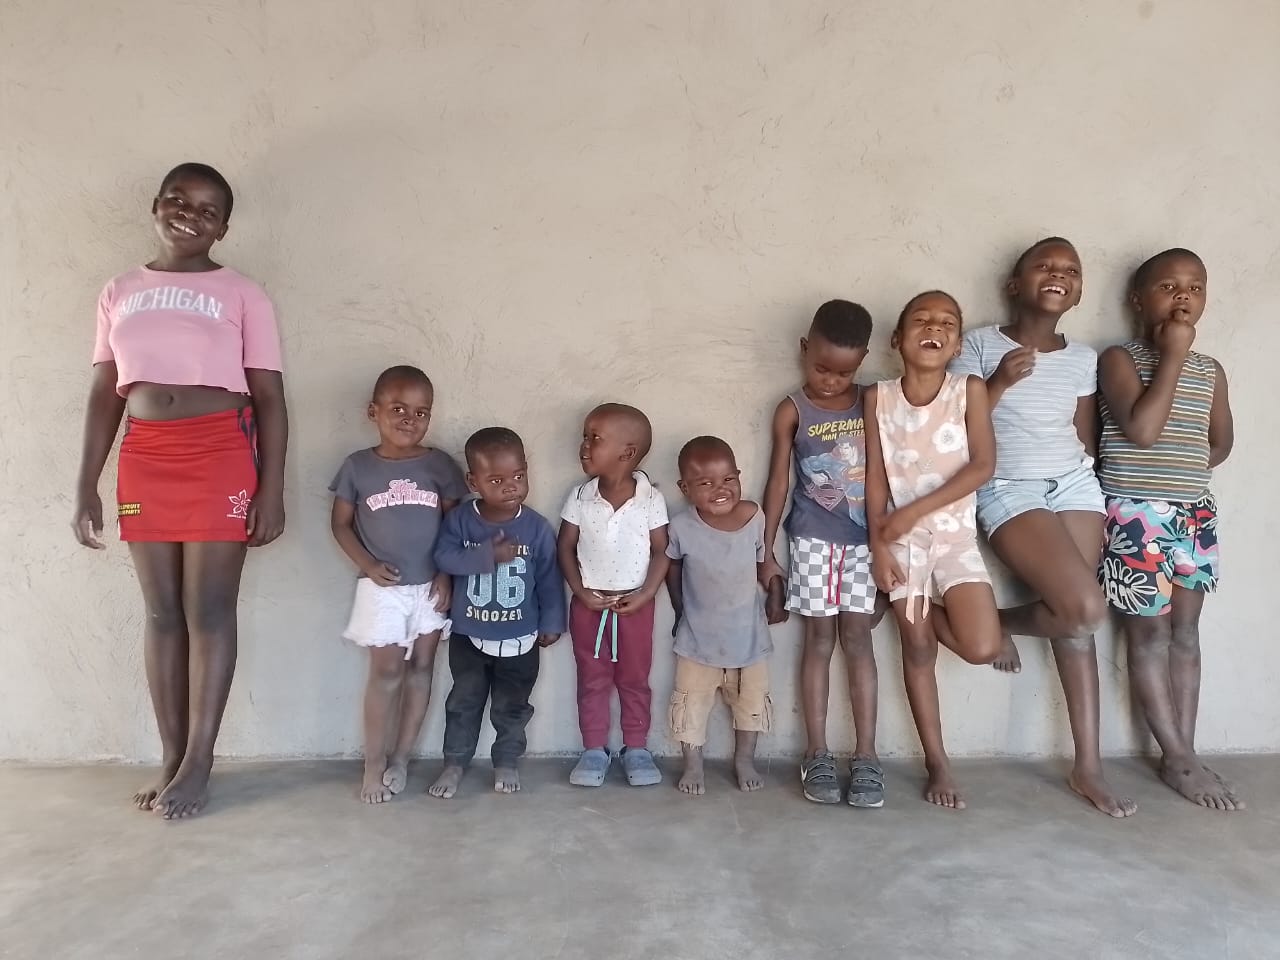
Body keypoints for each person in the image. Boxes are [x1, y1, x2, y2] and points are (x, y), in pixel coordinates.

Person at [72, 162, 288, 820]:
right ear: (156, 206)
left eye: (207, 209)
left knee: (209, 611)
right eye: (178, 200)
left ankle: (199, 762)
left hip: (221, 453)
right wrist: (86, 482)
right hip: (145, 455)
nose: (189, 214)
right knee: (162, 613)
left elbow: (271, 398)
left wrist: (271, 489)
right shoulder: (119, 290)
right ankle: (170, 757)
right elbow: (104, 393)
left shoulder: (243, 294)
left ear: (224, 227)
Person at [949, 237, 1137, 818]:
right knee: (1084, 607)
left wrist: (1093, 486)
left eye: (1071, 270)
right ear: (1015, 285)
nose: (1059, 274)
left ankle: (1088, 767)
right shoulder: (979, 344)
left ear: (1078, 292)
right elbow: (954, 426)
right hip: (1008, 486)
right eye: (1045, 266)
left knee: (1077, 624)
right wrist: (999, 383)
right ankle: (993, 625)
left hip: (1075, 484)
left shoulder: (1083, 358)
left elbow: (1084, 435)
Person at [1097, 248, 1241, 811]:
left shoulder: (1212, 370)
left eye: (1195, 287)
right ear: (1138, 300)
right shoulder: (1119, 359)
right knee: (1149, 635)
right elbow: (1142, 432)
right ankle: (1178, 758)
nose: (1184, 295)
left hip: (1193, 513)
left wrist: (1190, 474)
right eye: (1168, 286)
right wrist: (1174, 355)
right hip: (1136, 515)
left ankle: (1184, 749)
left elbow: (1220, 441)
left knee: (1186, 633)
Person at [864, 291, 1001, 810]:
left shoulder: (969, 390)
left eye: (947, 323)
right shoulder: (878, 397)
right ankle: (938, 762)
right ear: (897, 339)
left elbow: (982, 466)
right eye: (921, 320)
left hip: (954, 538)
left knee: (981, 647)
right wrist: (880, 544)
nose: (934, 328)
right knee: (917, 648)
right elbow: (875, 478)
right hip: (901, 542)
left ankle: (961, 616)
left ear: (958, 344)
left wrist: (914, 511)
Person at [760, 300, 886, 807]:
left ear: (862, 362)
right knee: (818, 641)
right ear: (803, 349)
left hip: (865, 543)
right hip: (812, 539)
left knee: (859, 640)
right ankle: (816, 753)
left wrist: (889, 545)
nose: (832, 381)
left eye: (844, 372)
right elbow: (778, 481)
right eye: (821, 368)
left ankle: (867, 755)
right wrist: (766, 549)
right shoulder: (793, 409)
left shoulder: (872, 401)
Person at [330, 365, 465, 804]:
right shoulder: (357, 467)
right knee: (386, 673)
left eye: (421, 412)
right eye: (398, 409)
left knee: (422, 670)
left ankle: (402, 758)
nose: (410, 419)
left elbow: (454, 525)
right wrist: (367, 565)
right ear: (374, 411)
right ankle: (373, 764)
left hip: (430, 588)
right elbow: (341, 524)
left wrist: (446, 574)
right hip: (382, 589)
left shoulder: (439, 465)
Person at [429, 428, 566, 798]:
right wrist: (485, 555)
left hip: (521, 637)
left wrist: (552, 621)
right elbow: (443, 557)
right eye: (496, 480)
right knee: (463, 703)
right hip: (468, 636)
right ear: (473, 482)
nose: (511, 486)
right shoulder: (461, 521)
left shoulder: (536, 528)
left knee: (513, 706)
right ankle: (454, 763)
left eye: (519, 475)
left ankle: (506, 760)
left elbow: (549, 577)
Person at [558, 403, 669, 787]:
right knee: (592, 678)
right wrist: (580, 591)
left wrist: (646, 594)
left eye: (595, 438)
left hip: (635, 607)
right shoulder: (580, 496)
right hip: (589, 606)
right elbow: (564, 547)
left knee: (635, 678)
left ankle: (636, 748)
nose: (584, 446)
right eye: (585, 437)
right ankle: (593, 750)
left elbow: (662, 551)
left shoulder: (650, 499)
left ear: (627, 452)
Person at [666, 436, 781, 795]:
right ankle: (693, 765)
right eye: (706, 483)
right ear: (685, 488)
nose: (721, 489)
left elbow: (764, 562)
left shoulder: (754, 516)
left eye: (729, 479)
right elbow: (672, 567)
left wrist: (776, 594)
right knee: (690, 706)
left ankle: (744, 760)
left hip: (749, 637)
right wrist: (680, 609)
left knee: (750, 706)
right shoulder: (681, 526)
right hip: (697, 639)